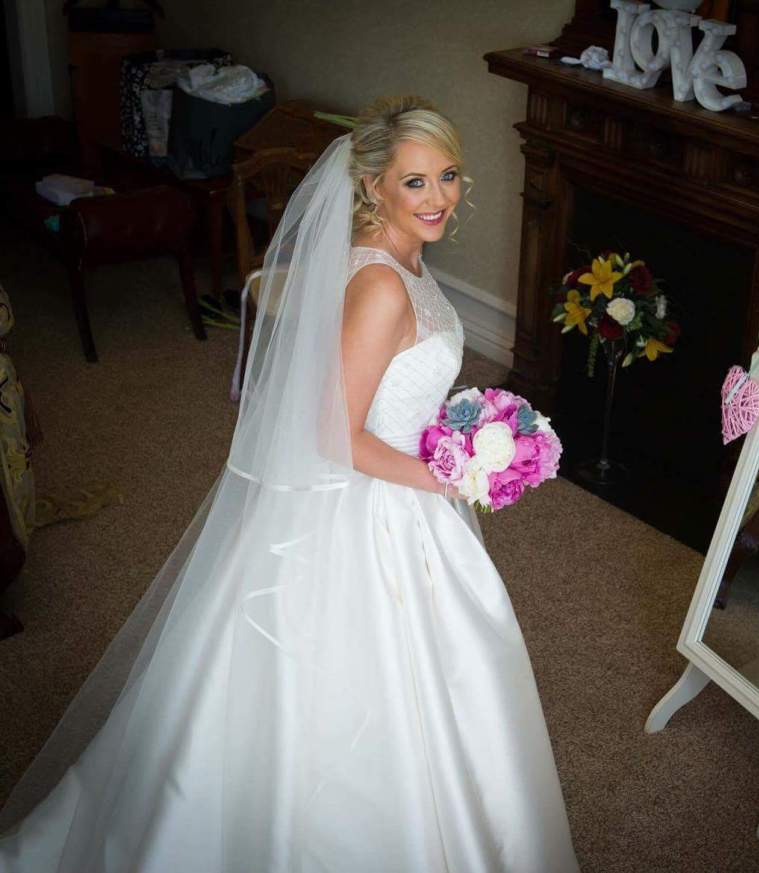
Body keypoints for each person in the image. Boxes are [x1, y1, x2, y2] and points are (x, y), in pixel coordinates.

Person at [0, 95, 581, 872]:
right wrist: (447, 475)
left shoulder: (402, 255)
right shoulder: (381, 285)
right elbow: (333, 433)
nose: (438, 196)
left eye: (447, 175)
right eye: (415, 182)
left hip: (394, 482)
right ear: (373, 186)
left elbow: (385, 392)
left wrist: (463, 428)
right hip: (372, 507)